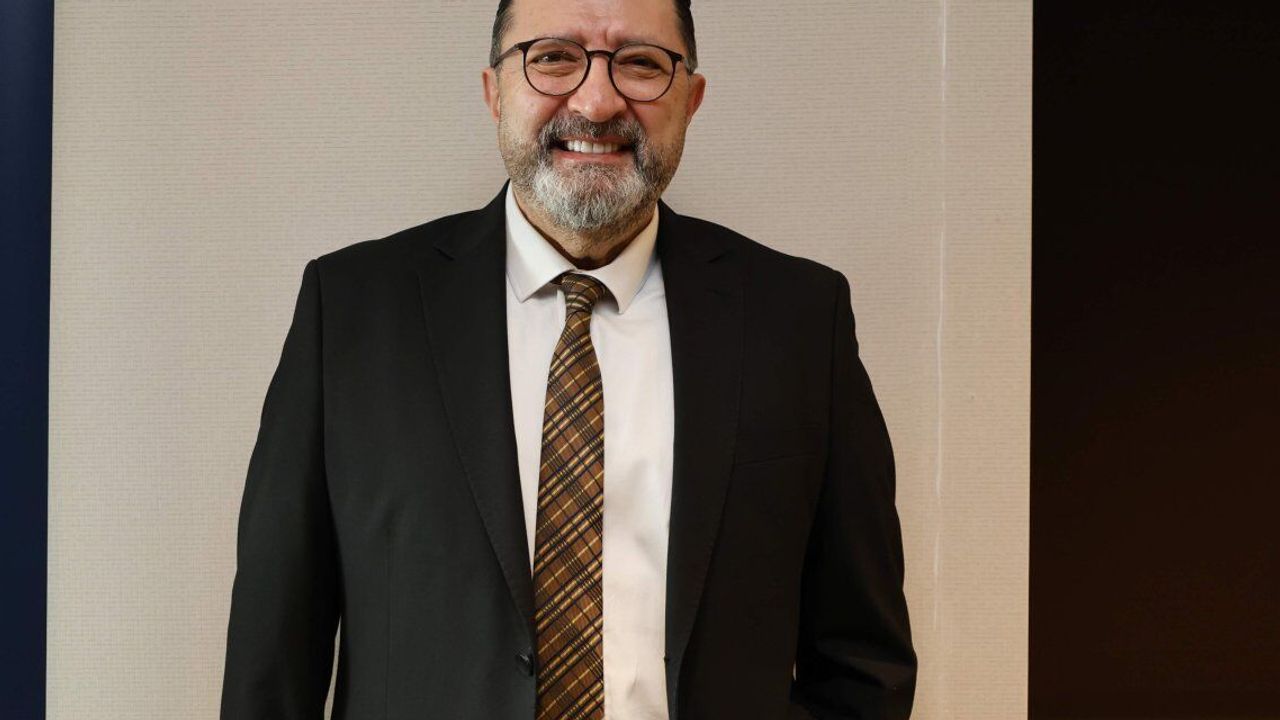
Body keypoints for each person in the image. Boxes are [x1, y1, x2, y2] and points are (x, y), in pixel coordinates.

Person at [219, 0, 916, 717]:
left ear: (691, 99)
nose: (596, 101)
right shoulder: (352, 312)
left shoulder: (800, 320)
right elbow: (272, 666)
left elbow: (863, 663)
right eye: (553, 57)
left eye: (641, 63)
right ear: (494, 91)